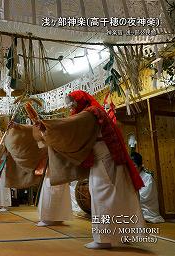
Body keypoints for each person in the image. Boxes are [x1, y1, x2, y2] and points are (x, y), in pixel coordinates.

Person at [34, 90, 145, 249]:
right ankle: (123, 234)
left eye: (72, 103)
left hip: (105, 159)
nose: (71, 107)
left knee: (102, 195)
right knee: (116, 194)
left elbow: (68, 126)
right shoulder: (90, 112)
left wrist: (47, 126)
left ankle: (103, 239)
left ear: (80, 101)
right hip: (107, 158)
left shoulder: (90, 113)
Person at [131, 152, 165, 223]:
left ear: (140, 166)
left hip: (147, 209)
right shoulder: (131, 178)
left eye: (134, 165)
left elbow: (144, 196)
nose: (132, 168)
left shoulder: (147, 177)